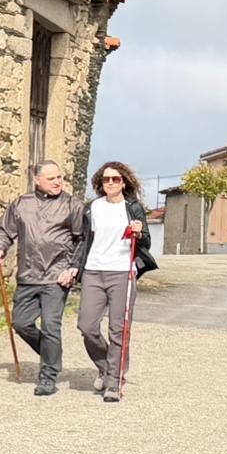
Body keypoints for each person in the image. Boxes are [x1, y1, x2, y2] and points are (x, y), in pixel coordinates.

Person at [0, 160, 86, 397]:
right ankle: (51, 355)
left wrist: (73, 267)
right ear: (37, 180)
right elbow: (4, 230)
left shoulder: (72, 205)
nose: (57, 182)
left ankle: (48, 376)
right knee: (20, 323)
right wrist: (0, 247)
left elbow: (82, 238)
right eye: (51, 178)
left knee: (51, 326)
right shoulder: (22, 204)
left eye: (59, 177)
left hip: (57, 275)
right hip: (28, 274)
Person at [74, 162, 157, 403]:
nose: (110, 183)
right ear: (100, 183)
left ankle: (114, 381)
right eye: (106, 179)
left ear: (124, 182)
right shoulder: (93, 209)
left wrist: (139, 232)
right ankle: (105, 366)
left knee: (118, 329)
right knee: (87, 326)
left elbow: (146, 243)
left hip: (122, 272)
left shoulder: (132, 208)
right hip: (94, 270)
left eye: (116, 179)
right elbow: (83, 240)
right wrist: (74, 266)